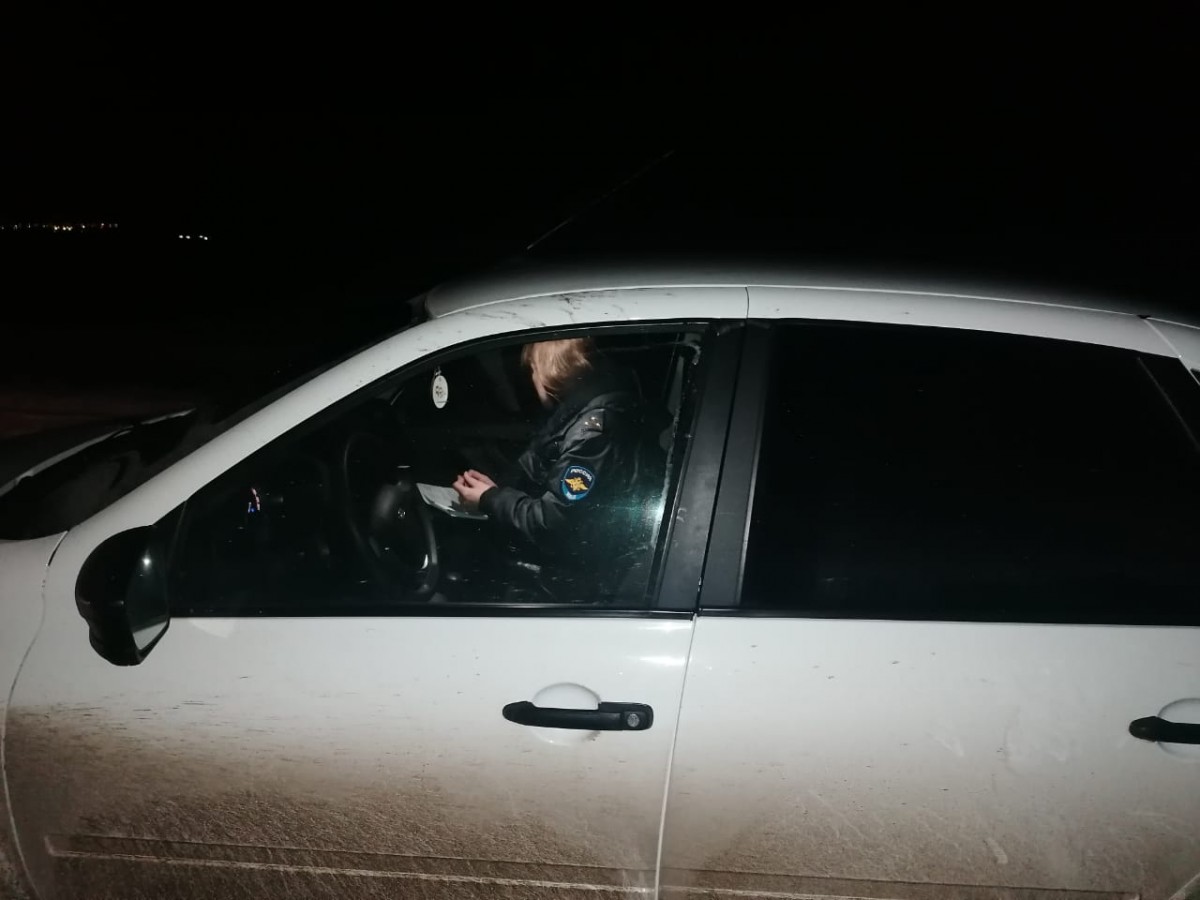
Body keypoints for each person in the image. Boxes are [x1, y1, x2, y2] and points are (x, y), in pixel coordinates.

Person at [452, 337, 653, 596]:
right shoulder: (578, 413)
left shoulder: (592, 434)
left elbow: (553, 522)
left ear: (549, 369)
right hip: (574, 566)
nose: (533, 378)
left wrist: (490, 499)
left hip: (570, 579)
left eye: (533, 369)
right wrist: (492, 492)